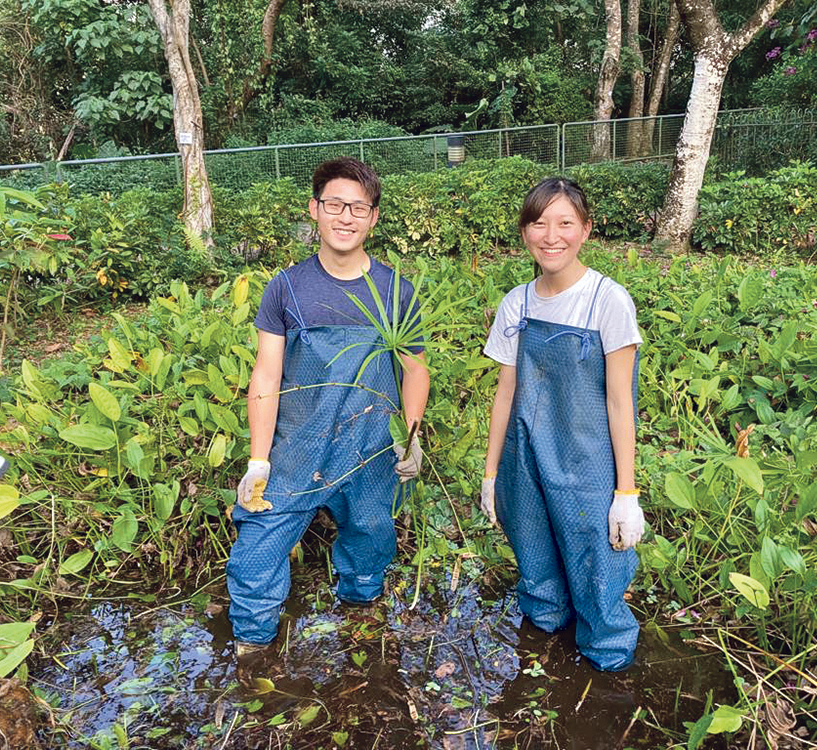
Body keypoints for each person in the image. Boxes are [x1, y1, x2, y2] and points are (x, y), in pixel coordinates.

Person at [227, 157, 429, 655]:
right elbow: (267, 373)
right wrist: (259, 458)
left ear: (373, 217)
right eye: (335, 204)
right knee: (258, 545)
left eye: (358, 207)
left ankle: (361, 627)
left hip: (369, 450)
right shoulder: (287, 287)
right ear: (314, 209)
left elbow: (416, 369)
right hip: (298, 447)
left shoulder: (396, 291)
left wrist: (412, 437)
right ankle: (252, 651)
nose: (346, 217)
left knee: (370, 537)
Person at [479, 177, 644, 671]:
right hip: (525, 459)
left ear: (586, 230)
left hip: (587, 463)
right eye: (538, 223)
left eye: (564, 223)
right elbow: (505, 392)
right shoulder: (517, 303)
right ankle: (543, 649)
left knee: (596, 566)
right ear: (525, 232)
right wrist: (491, 475)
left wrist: (627, 493)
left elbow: (620, 402)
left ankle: (609, 666)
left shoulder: (608, 301)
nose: (551, 236)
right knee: (535, 561)